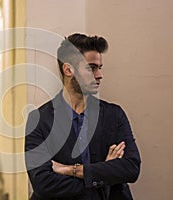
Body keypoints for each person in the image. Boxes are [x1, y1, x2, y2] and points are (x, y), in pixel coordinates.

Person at [25, 33, 141, 200]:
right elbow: (43, 184)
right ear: (68, 69)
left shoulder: (114, 115)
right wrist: (104, 174)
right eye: (91, 68)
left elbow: (131, 168)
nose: (99, 75)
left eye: (100, 67)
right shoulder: (38, 120)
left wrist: (72, 170)